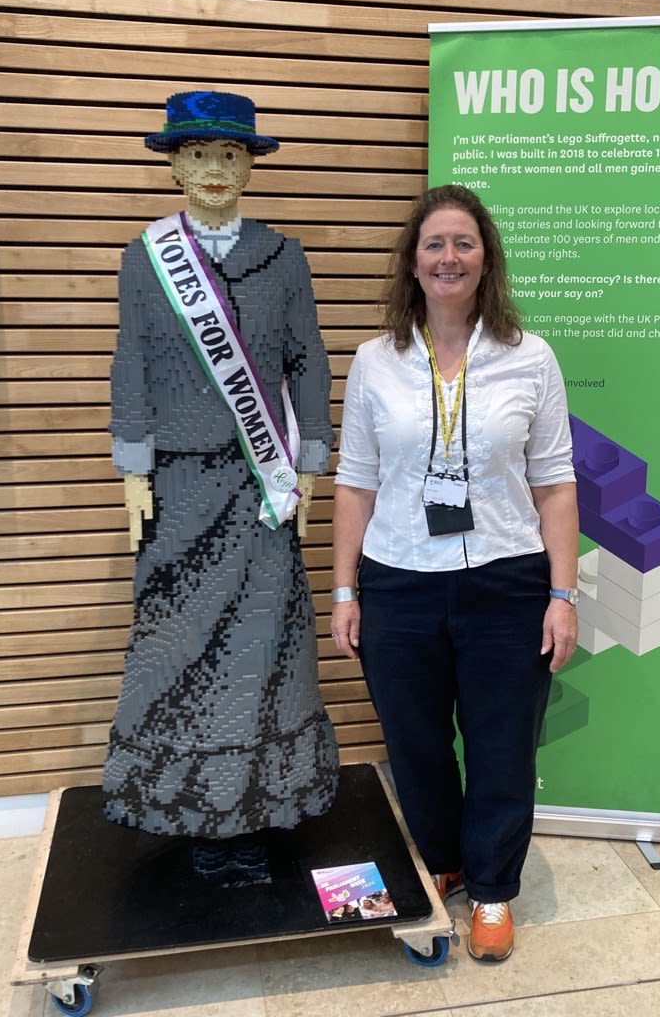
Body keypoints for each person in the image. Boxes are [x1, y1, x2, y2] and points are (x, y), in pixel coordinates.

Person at [331, 184, 578, 961]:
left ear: (485, 258)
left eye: (463, 243)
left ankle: (495, 889)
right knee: (416, 740)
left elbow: (556, 483)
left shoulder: (529, 357)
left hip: (507, 580)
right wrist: (343, 589)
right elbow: (355, 482)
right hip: (399, 579)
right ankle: (441, 861)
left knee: (503, 740)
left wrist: (562, 594)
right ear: (413, 261)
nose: (448, 257)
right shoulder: (377, 361)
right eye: (434, 244)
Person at [102, 91, 339, 885]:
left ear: (250, 166)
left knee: (262, 652)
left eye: (230, 155)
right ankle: (186, 809)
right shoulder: (147, 257)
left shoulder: (284, 256)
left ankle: (258, 806)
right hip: (174, 490)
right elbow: (129, 361)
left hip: (259, 492)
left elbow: (306, 362)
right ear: (172, 162)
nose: (214, 169)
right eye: (198, 153)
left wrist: (309, 465)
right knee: (176, 650)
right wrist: (133, 469)